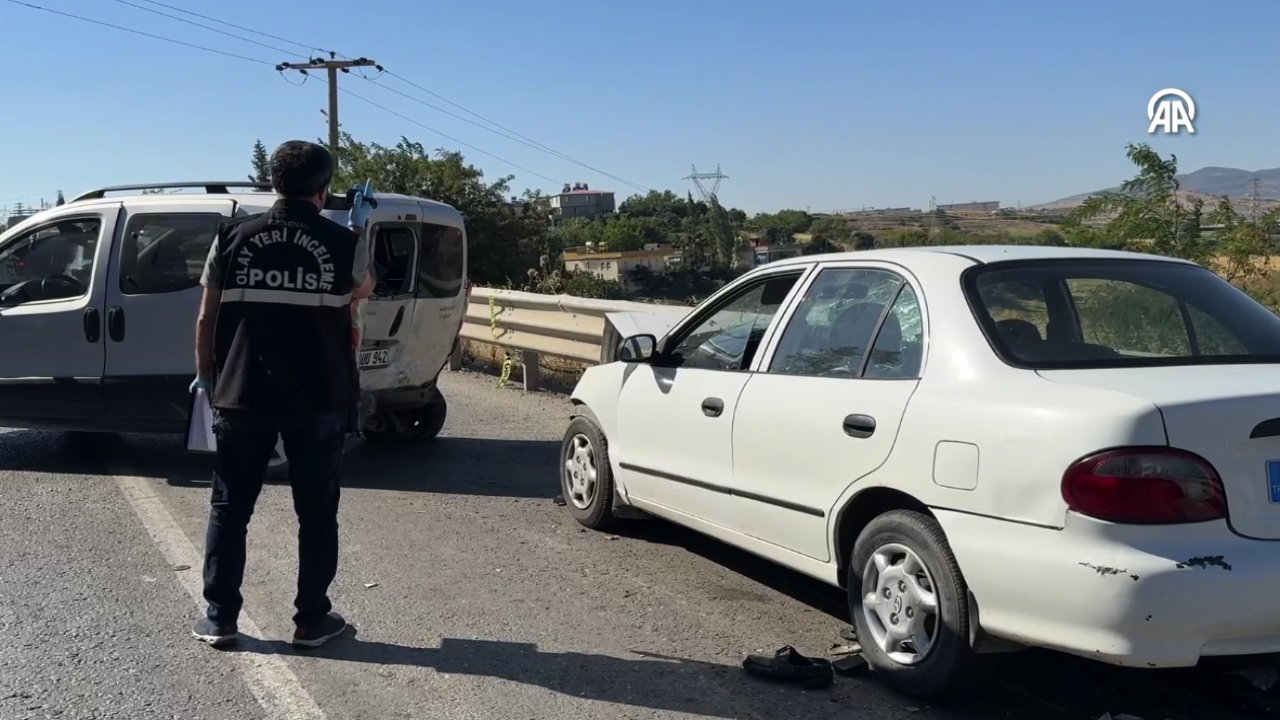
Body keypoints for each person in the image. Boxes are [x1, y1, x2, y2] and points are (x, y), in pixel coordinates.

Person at [189, 140, 375, 649]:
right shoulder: (343, 242)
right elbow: (364, 288)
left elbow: (206, 317)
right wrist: (355, 229)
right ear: (324, 188)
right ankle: (312, 621)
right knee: (316, 510)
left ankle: (221, 617)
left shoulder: (231, 237)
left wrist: (207, 376)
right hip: (319, 395)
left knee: (230, 507)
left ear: (273, 183)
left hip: (241, 390)